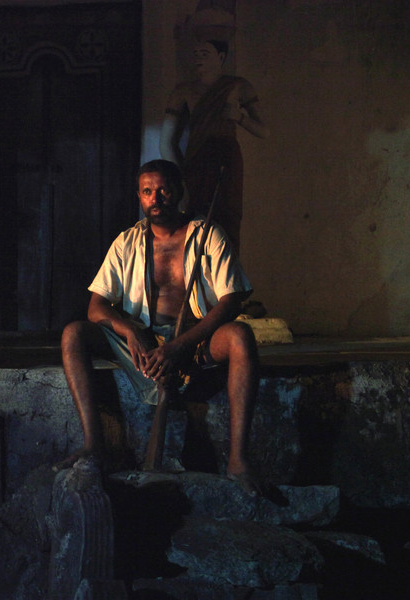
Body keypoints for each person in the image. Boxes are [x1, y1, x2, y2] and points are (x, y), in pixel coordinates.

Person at [58, 159, 265, 497]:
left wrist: (180, 346)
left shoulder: (207, 234)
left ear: (179, 191)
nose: (156, 198)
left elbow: (231, 301)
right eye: (147, 191)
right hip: (142, 341)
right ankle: (94, 446)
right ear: (139, 197)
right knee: (74, 334)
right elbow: (96, 307)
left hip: (195, 338)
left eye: (164, 190)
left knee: (241, 336)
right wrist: (129, 331)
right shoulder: (127, 242)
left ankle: (238, 461)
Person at [159, 38, 269, 251]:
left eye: (205, 54)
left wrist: (239, 117)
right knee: (196, 221)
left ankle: (227, 268)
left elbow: (264, 131)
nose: (198, 59)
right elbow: (166, 143)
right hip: (197, 161)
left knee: (227, 220)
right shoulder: (183, 92)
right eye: (196, 54)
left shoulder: (237, 87)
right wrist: (181, 180)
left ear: (221, 57)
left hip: (226, 161)